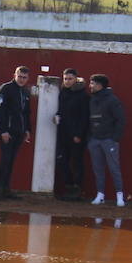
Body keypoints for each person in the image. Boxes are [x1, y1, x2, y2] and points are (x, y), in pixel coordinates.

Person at [0, 66, 32, 200]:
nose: (21, 79)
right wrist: (3, 130)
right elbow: (0, 110)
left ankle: (6, 189)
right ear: (14, 75)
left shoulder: (25, 92)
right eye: (19, 76)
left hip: (19, 131)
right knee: (6, 159)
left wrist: (27, 130)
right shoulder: (6, 88)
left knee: (11, 160)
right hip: (8, 131)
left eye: (24, 77)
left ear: (27, 78)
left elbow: (26, 113)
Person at [86, 73, 126, 207]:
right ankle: (100, 194)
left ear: (99, 85)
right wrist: (90, 138)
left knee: (114, 168)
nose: (90, 86)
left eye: (92, 83)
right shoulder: (92, 99)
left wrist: (114, 138)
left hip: (109, 139)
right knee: (98, 169)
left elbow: (120, 120)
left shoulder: (112, 100)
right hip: (95, 139)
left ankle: (120, 195)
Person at [54, 68, 89, 201]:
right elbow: (61, 111)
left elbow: (84, 117)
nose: (67, 81)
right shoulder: (62, 93)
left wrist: (78, 134)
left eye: (70, 79)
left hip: (76, 136)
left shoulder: (83, 95)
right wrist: (57, 116)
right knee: (61, 161)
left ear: (76, 79)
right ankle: (69, 187)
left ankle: (77, 189)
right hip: (63, 134)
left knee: (76, 163)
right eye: (65, 79)